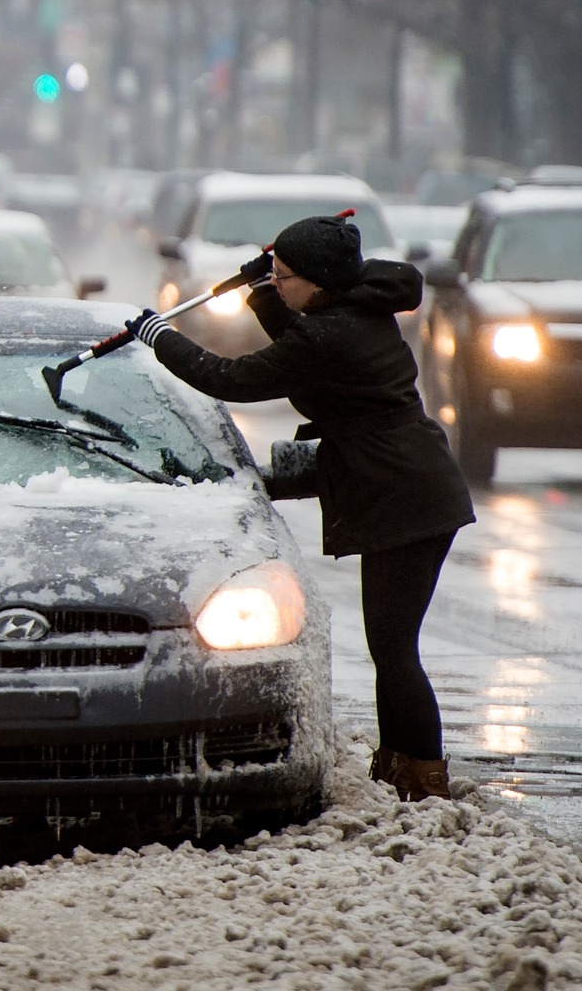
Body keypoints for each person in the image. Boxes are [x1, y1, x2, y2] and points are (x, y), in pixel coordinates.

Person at [122, 216, 476, 801]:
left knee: (394, 650)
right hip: (409, 480)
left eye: (285, 276)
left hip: (406, 493)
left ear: (318, 281)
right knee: (391, 647)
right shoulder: (355, 307)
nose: (279, 282)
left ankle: (422, 777)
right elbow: (301, 341)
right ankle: (399, 766)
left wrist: (161, 336)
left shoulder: (330, 334)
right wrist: (264, 292)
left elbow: (230, 377)